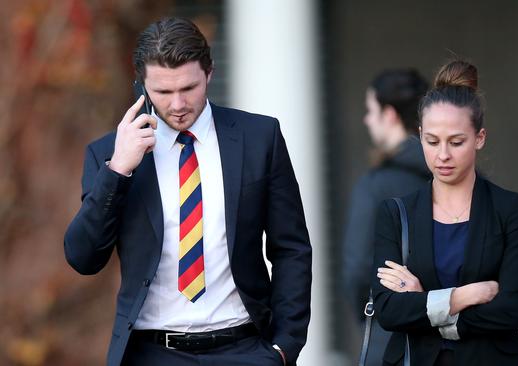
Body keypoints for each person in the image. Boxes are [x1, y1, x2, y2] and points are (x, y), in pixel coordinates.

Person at [64, 17, 311, 366]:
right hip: (152, 353)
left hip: (244, 349)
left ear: (209, 73)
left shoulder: (259, 138)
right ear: (142, 87)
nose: (178, 105)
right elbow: (83, 258)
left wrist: (285, 345)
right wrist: (118, 171)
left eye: (189, 88)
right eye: (163, 92)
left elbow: (292, 248)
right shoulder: (109, 155)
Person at [373, 60, 518, 366]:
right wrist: (461, 297)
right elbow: (388, 310)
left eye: (456, 142)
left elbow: (512, 311)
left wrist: (425, 301)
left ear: (480, 138)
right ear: (420, 135)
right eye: (432, 141)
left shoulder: (512, 211)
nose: (443, 155)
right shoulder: (396, 214)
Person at [342, 69, 430, 365]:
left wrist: (370, 315)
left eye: (371, 110)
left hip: (391, 340)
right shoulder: (459, 178)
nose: (367, 119)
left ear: (389, 114)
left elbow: (357, 269)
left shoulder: (377, 185)